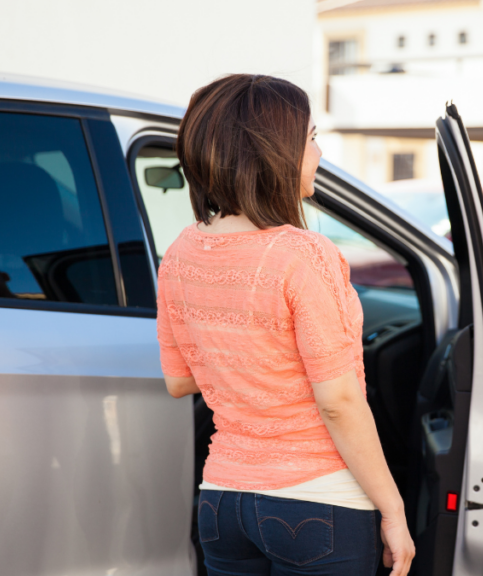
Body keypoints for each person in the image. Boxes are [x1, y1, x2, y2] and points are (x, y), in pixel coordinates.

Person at [156, 74, 414, 576]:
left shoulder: (180, 253)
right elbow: (338, 403)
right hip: (318, 502)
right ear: (273, 152)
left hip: (221, 502)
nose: (317, 153)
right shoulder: (303, 254)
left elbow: (179, 380)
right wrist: (395, 509)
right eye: (311, 138)